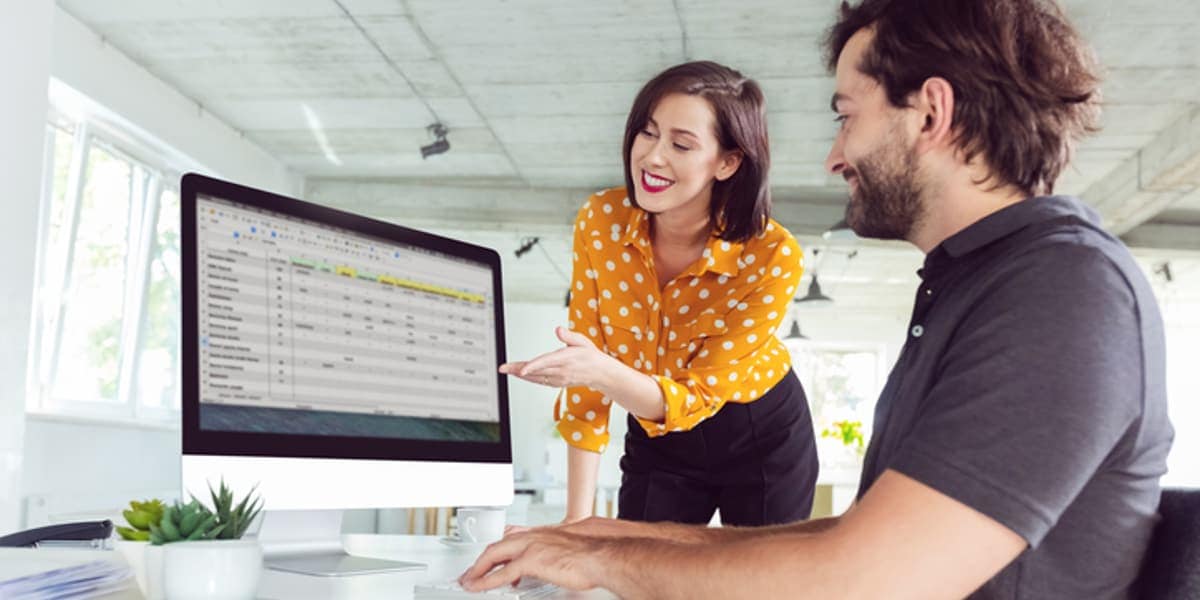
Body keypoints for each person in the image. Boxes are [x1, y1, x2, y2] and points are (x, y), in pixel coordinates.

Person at [463, 1, 1175, 598]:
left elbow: (864, 580)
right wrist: (606, 538)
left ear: (931, 113)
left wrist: (603, 558)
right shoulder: (977, 283)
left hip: (751, 429)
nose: (835, 157)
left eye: (847, 116)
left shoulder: (1061, 293)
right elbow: (860, 541)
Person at [500, 61, 819, 527]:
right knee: (637, 564)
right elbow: (587, 366)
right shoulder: (602, 221)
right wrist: (576, 521)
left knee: (756, 570)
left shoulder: (771, 255)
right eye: (647, 133)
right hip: (655, 432)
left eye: (681, 144)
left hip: (758, 435)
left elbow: (693, 396)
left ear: (728, 162)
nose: (652, 157)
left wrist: (599, 370)